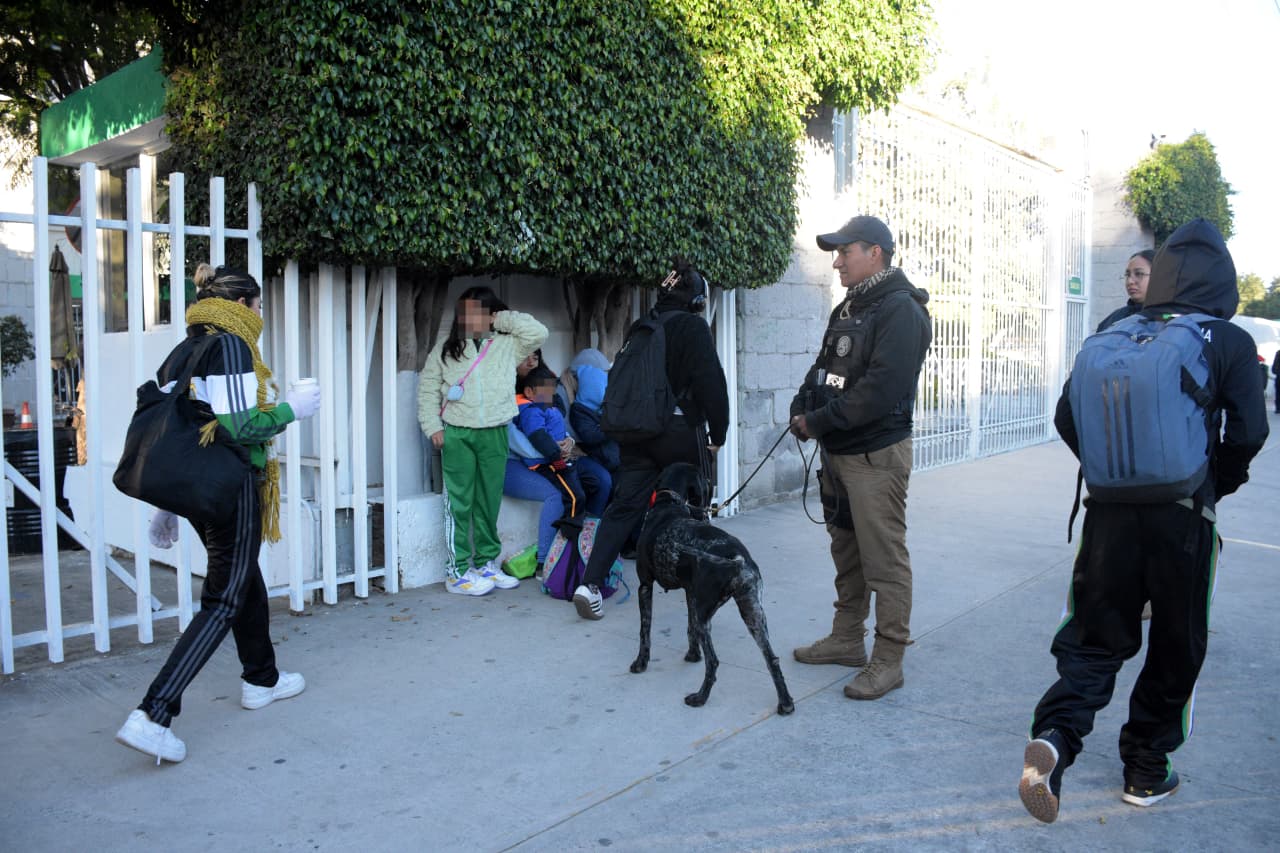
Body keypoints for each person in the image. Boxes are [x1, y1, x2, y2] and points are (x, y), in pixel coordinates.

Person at [1018, 219, 1268, 824]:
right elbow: (1250, 432)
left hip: (1108, 516)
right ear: (1222, 280)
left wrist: (1112, 473)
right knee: (1177, 642)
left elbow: (1067, 417)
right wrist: (1214, 483)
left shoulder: (1114, 329)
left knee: (1092, 639)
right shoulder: (1227, 340)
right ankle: (1147, 771)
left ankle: (1055, 737)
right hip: (1183, 518)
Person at [115, 264, 322, 765]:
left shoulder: (185, 349)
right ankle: (153, 714)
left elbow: (180, 431)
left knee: (242, 578)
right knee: (224, 598)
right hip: (231, 487)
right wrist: (294, 408)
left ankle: (261, 678)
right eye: (260, 305)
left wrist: (168, 506)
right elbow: (239, 427)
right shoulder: (232, 346)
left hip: (200, 488)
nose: (262, 314)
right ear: (244, 305)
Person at [788, 215, 932, 701]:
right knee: (846, 551)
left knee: (883, 559)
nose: (836, 262)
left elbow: (879, 390)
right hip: (839, 453)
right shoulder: (849, 306)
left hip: (875, 456)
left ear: (875, 253)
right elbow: (823, 368)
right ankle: (847, 638)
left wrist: (818, 422)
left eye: (844, 252)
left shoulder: (902, 310)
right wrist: (801, 405)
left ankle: (888, 660)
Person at [572, 258, 729, 620]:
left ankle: (589, 585)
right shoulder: (693, 327)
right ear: (696, 299)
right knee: (694, 505)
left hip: (637, 433)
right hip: (679, 431)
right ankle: (700, 586)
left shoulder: (641, 326)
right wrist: (718, 434)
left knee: (624, 507)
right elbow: (711, 384)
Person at [418, 287, 547, 595]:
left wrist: (500, 320)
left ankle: (486, 563)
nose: (469, 319)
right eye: (465, 312)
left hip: (495, 431)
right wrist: (433, 427)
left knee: (489, 502)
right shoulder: (445, 348)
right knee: (459, 503)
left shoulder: (508, 344)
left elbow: (538, 332)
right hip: (457, 433)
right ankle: (457, 572)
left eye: (477, 312)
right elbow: (428, 389)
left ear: (491, 314)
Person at [504, 350, 611, 576]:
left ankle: (587, 541)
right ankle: (546, 562)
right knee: (558, 494)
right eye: (525, 355)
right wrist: (555, 452)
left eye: (535, 356)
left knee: (600, 479)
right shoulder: (508, 393)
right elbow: (520, 441)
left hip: (558, 453)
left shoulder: (546, 384)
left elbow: (558, 421)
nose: (531, 361)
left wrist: (568, 441)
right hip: (524, 460)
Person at [515, 363, 587, 521]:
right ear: (529, 392)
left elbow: (557, 426)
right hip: (550, 463)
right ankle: (571, 528)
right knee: (575, 496)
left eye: (552, 391)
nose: (551, 395)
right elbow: (538, 436)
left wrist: (569, 440)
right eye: (545, 391)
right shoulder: (531, 412)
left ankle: (579, 522)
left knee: (589, 484)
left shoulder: (546, 406)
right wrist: (556, 456)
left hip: (560, 458)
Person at [569, 363, 621, 475]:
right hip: (601, 460)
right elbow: (590, 435)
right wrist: (613, 427)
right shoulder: (579, 410)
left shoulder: (606, 407)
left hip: (616, 457)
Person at [1097, 249, 1156, 332]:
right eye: (1127, 275)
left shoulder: (1169, 319)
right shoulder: (1112, 320)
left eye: (1139, 274)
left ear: (1158, 276)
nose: (1130, 281)